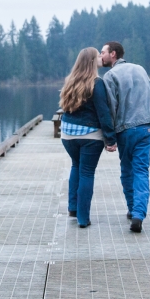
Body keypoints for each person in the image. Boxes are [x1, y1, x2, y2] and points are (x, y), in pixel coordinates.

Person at [100, 41, 150, 233]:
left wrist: (110, 137)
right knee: (141, 171)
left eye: (103, 52)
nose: (101, 56)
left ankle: (133, 210)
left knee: (127, 171)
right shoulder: (140, 69)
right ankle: (138, 214)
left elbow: (111, 107)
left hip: (125, 129)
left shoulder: (110, 75)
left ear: (113, 54)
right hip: (145, 127)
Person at [59, 47, 117, 228]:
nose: (101, 57)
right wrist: (110, 139)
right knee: (86, 172)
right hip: (90, 136)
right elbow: (103, 113)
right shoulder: (96, 83)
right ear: (92, 61)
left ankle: (73, 208)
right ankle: (83, 219)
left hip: (68, 135)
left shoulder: (70, 81)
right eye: (98, 55)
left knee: (76, 166)